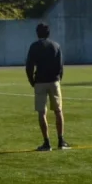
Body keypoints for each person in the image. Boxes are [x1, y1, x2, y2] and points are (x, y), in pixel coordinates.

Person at [25, 23, 68, 151]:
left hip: (40, 82)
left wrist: (32, 81)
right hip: (54, 81)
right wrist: (58, 79)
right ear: (49, 33)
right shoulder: (56, 46)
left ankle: (47, 142)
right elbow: (60, 66)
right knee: (58, 111)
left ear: (37, 33)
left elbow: (29, 66)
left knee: (41, 112)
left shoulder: (34, 47)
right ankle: (61, 141)